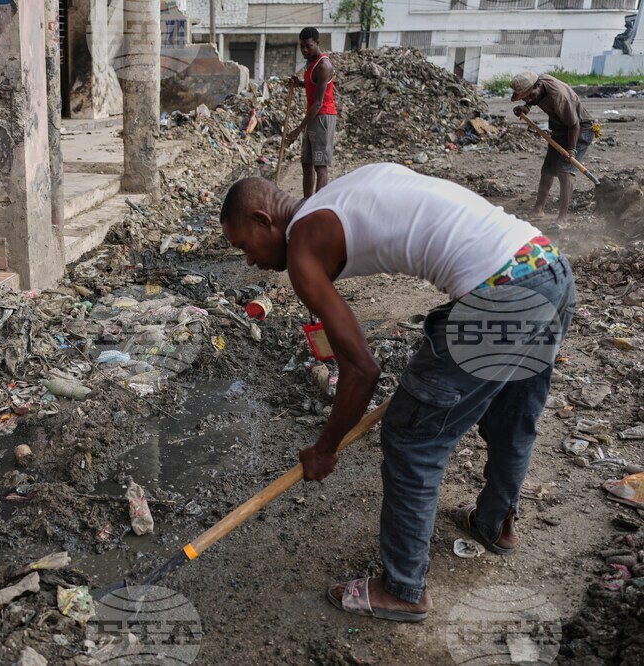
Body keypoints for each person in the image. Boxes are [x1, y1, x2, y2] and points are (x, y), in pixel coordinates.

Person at [220, 164, 575, 622]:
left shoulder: (303, 243)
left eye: (243, 246)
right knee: (512, 412)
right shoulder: (338, 195)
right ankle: (494, 523)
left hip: (499, 295)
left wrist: (325, 449)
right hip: (547, 268)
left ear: (264, 219)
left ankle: (403, 590)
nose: (249, 260)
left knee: (413, 438)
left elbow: (362, 371)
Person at [510, 71, 594, 227]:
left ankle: (563, 219)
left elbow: (573, 125)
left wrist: (572, 150)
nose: (528, 99)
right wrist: (526, 106)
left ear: (538, 86)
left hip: (579, 129)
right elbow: (534, 98)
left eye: (529, 96)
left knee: (564, 171)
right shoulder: (536, 85)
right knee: (547, 170)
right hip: (561, 129)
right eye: (524, 97)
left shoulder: (559, 97)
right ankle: (538, 210)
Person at [286, 27, 337, 197]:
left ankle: (318, 207)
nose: (304, 50)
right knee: (306, 162)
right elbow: (313, 85)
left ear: (317, 43)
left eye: (308, 46)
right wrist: (299, 83)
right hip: (313, 116)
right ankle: (307, 202)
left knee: (320, 166)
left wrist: (298, 130)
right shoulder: (310, 62)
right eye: (302, 46)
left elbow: (318, 102)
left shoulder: (324, 65)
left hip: (322, 117)